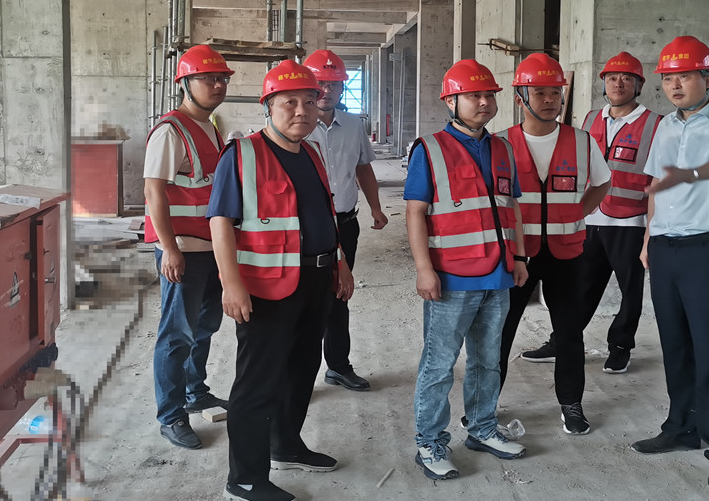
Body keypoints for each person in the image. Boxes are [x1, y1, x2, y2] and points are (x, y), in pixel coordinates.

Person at [208, 59, 355, 501]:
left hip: (316, 280)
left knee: (302, 369)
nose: (302, 111)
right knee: (258, 382)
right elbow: (220, 221)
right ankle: (244, 477)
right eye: (289, 102)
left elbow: (325, 215)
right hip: (266, 287)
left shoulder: (311, 153)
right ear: (268, 106)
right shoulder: (242, 154)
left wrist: (340, 263)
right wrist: (231, 284)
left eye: (309, 101)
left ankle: (286, 446)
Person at [631, 36, 709, 491]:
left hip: (708, 248)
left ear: (708, 76)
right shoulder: (664, 126)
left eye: (684, 76)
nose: (675, 85)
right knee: (676, 346)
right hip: (666, 249)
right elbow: (655, 187)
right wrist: (648, 238)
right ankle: (682, 427)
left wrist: (691, 174)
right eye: (667, 78)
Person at [405, 59, 529, 481]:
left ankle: (482, 429)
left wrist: (520, 258)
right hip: (452, 278)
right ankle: (430, 442)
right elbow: (416, 212)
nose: (483, 102)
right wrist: (424, 269)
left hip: (499, 275)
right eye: (474, 95)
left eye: (489, 95)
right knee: (439, 366)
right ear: (451, 101)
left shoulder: (503, 149)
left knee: (488, 361)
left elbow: (512, 208)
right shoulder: (429, 149)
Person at [497, 54, 610, 435]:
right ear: (520, 98)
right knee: (500, 332)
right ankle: (485, 404)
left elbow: (603, 182)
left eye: (555, 92)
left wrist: (577, 212)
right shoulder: (500, 144)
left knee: (569, 332)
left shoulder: (581, 141)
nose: (549, 99)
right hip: (516, 255)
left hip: (568, 253)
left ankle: (572, 404)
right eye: (539, 92)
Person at [144, 44, 233, 450]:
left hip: (211, 249)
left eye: (221, 78)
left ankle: (196, 392)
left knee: (204, 326)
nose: (217, 85)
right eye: (207, 78)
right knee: (176, 334)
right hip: (182, 250)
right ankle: (171, 414)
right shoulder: (171, 130)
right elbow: (154, 192)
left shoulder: (210, 127)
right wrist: (169, 249)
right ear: (185, 83)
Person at [303, 49, 388, 392]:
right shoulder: (294, 124)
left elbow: (363, 167)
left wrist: (376, 207)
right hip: (305, 227)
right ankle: (297, 376)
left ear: (342, 88)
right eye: (320, 83)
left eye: (334, 84)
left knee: (340, 292)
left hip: (345, 223)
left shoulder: (353, 125)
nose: (327, 91)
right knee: (304, 298)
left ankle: (338, 366)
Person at [579, 52, 662, 374]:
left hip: (631, 220)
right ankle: (564, 338)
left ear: (639, 85)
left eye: (627, 78)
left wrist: (652, 228)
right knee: (580, 286)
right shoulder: (590, 119)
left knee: (630, 290)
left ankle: (620, 346)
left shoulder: (655, 124)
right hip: (590, 218)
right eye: (612, 77)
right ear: (604, 83)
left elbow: (658, 178)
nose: (618, 83)